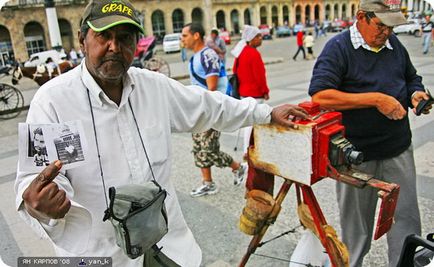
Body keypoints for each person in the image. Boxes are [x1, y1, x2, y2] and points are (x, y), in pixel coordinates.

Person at [15, 1, 309, 266]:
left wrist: (267, 113)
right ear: (82, 39)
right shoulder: (53, 101)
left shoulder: (152, 87)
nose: (115, 47)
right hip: (100, 255)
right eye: (104, 36)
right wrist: (42, 205)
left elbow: (210, 106)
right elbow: (37, 182)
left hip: (168, 247)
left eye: (125, 38)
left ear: (137, 44)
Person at [308, 0, 433, 266]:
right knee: (356, 228)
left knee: (406, 218)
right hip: (356, 155)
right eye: (381, 25)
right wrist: (376, 99)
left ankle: (404, 263)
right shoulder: (339, 48)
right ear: (361, 16)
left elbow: (411, 77)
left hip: (397, 147)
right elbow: (320, 95)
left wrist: (415, 93)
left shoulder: (393, 45)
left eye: (391, 26)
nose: (386, 32)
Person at [182, 22, 247, 197]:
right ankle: (214, 179)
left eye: (184, 35)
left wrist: (201, 109)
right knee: (200, 147)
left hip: (211, 110)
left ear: (196, 35)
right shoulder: (195, 57)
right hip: (200, 110)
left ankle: (236, 168)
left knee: (207, 149)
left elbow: (211, 87)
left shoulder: (207, 54)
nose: (182, 40)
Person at [230, 25, 269, 159]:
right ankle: (248, 149)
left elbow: (235, 71)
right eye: (258, 36)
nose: (260, 38)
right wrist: (265, 91)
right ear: (251, 39)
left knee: (248, 121)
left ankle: (247, 147)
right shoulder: (253, 53)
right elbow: (260, 76)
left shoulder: (240, 52)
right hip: (255, 92)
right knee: (253, 122)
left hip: (243, 92)